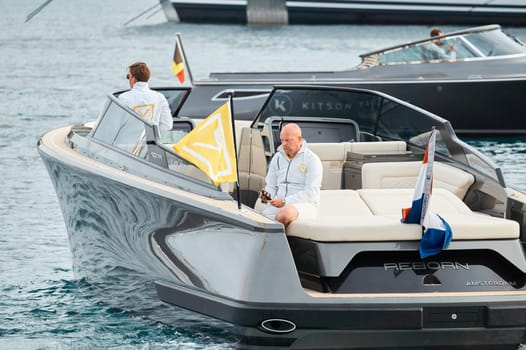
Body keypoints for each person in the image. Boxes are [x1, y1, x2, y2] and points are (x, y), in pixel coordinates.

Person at [259, 123, 323, 227]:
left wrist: (285, 201)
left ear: (299, 139)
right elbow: (271, 185)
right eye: (282, 140)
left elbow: (311, 192)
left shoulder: (312, 160)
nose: (284, 144)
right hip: (280, 204)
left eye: (288, 140)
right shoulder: (277, 158)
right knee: (253, 218)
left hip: (305, 205)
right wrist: (266, 196)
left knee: (285, 214)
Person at [119, 61, 173, 131]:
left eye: (128, 76)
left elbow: (116, 124)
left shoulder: (124, 98)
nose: (128, 79)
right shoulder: (159, 97)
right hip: (152, 141)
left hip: (129, 141)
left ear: (133, 78)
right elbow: (167, 125)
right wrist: (151, 131)